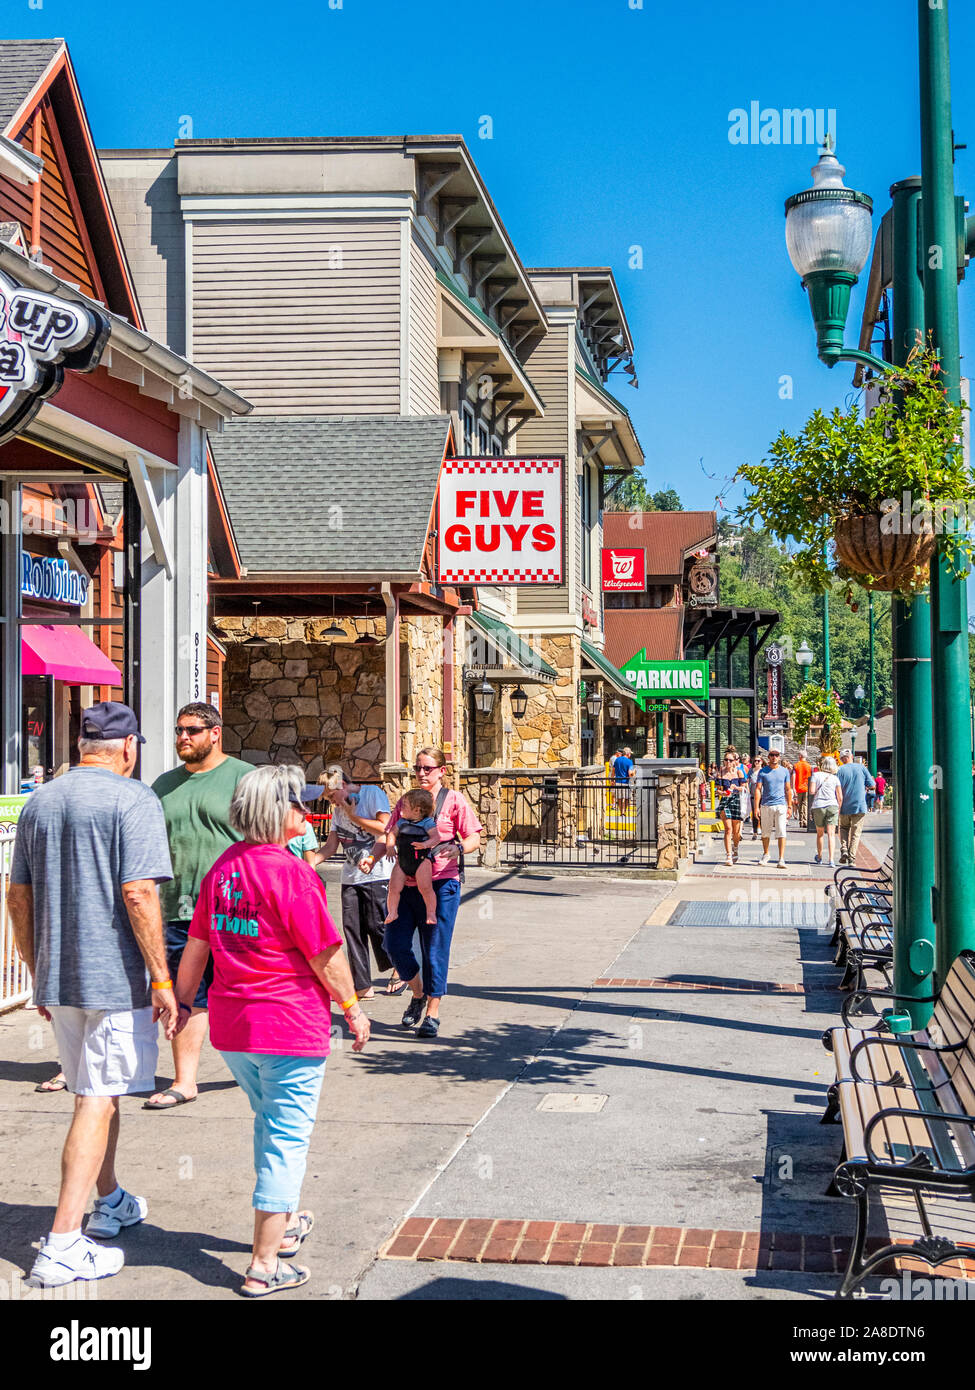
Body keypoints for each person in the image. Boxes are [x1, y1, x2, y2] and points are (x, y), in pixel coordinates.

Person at [174, 764, 369, 1297]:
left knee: (270, 1124)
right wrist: (352, 1007)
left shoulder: (223, 868)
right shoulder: (291, 873)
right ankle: (265, 1263)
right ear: (274, 811)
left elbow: (197, 945)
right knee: (286, 1139)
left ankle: (279, 1225)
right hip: (289, 1026)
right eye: (297, 804)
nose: (306, 813)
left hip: (236, 1029)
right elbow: (326, 953)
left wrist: (183, 1001)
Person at [7, 702, 177, 1288]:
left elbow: (17, 897)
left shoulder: (41, 801)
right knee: (97, 1099)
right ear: (129, 746)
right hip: (117, 978)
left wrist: (37, 970)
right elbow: (139, 894)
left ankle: (109, 1200)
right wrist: (161, 979)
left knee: (95, 1091)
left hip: (61, 973)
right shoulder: (135, 800)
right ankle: (61, 1243)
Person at [145, 703, 251, 1111]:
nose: (183, 738)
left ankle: (259, 1067)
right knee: (187, 996)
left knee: (242, 993)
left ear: (215, 733)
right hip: (175, 908)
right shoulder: (164, 784)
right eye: (178, 731)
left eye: (191, 730)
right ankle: (185, 1081)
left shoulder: (244, 779)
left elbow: (270, 838)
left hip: (234, 909)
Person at [382, 747, 483, 1039]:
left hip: (442, 884)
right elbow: (389, 833)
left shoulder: (454, 800)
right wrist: (373, 857)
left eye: (427, 768)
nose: (421, 773)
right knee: (394, 944)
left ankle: (432, 1012)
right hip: (406, 886)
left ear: (442, 771)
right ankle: (418, 993)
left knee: (435, 949)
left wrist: (459, 848)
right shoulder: (407, 801)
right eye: (417, 768)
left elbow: (474, 835)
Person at [315, 763, 401, 999]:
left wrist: (354, 816)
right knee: (352, 929)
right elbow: (332, 846)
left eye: (332, 795)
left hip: (378, 872)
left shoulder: (371, 794)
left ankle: (400, 966)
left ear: (342, 784)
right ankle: (362, 985)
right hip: (351, 876)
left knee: (377, 925)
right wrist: (311, 862)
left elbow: (385, 828)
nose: (332, 801)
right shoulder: (338, 810)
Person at [363, 787, 441, 926]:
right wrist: (390, 846)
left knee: (426, 888)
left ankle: (431, 913)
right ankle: (393, 912)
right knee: (393, 887)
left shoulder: (427, 823)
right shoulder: (401, 822)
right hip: (402, 861)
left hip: (422, 861)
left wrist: (425, 844)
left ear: (417, 810)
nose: (400, 809)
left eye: (405, 806)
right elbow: (392, 834)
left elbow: (436, 838)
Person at [754, 748, 793, 868]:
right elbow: (758, 789)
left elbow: (788, 789)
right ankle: (766, 854)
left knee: (781, 831)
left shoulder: (785, 771)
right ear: (769, 757)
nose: (774, 757)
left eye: (776, 755)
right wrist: (756, 807)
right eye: (772, 755)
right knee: (765, 832)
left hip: (781, 805)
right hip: (766, 805)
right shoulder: (763, 772)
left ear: (779, 757)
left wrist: (790, 806)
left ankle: (781, 858)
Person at [836, 748, 876, 865]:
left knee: (843, 828)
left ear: (842, 759)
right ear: (851, 757)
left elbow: (836, 789)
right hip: (859, 805)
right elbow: (872, 785)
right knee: (855, 833)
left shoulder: (839, 770)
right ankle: (851, 858)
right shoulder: (861, 768)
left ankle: (844, 849)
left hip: (844, 805)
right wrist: (866, 787)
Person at [809, 755, 844, 867]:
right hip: (832, 805)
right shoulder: (835, 778)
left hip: (819, 805)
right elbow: (840, 796)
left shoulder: (816, 775)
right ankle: (831, 859)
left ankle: (819, 856)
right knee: (831, 834)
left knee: (820, 833)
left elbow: (811, 791)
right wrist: (839, 808)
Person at [716, 749, 748, 866]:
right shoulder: (721, 772)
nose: (728, 762)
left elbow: (744, 788)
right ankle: (728, 855)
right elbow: (717, 789)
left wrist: (736, 787)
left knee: (736, 832)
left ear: (735, 761)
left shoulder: (739, 772)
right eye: (726, 760)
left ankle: (735, 847)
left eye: (730, 760)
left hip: (736, 800)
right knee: (728, 829)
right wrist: (721, 793)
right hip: (725, 801)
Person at [792, 751, 812, 828]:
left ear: (800, 756)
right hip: (807, 787)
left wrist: (793, 787)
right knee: (805, 804)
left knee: (800, 805)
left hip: (799, 787)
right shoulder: (809, 766)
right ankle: (805, 820)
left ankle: (801, 821)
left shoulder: (796, 765)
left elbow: (794, 776)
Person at [747, 753, 765, 840]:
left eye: (758, 761)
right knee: (755, 814)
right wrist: (747, 790)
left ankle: (762, 832)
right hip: (753, 795)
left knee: (762, 815)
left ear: (761, 762)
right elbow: (747, 781)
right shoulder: (751, 771)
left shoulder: (764, 771)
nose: (756, 762)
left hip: (763, 795)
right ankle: (755, 832)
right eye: (755, 761)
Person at [613, 746, 635, 811]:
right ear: (628, 754)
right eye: (630, 753)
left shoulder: (617, 760)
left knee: (619, 798)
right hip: (626, 782)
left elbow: (613, 771)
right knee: (627, 798)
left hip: (618, 781)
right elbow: (630, 774)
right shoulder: (629, 761)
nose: (630, 755)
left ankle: (620, 811)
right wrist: (634, 772)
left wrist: (612, 780)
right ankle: (624, 812)